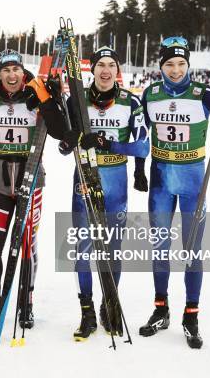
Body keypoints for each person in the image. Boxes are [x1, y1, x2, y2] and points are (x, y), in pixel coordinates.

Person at [138, 37, 210, 349]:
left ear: (188, 64)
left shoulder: (204, 95)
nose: (175, 70)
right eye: (169, 64)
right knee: (160, 248)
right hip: (161, 182)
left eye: (180, 64)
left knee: (192, 250)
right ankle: (160, 309)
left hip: (192, 185)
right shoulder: (150, 94)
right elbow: (138, 135)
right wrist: (137, 168)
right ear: (160, 66)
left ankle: (191, 315)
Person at [0, 49, 76, 329]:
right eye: (6, 70)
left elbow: (59, 130)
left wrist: (48, 98)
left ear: (23, 72)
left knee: (27, 245)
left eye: (16, 70)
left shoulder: (36, 97)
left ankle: (26, 302)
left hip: (30, 174)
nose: (12, 75)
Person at [60, 46, 149, 340]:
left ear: (117, 70)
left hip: (116, 181)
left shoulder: (130, 101)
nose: (106, 70)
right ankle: (86, 313)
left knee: (113, 250)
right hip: (84, 178)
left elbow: (142, 147)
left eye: (111, 65)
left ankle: (108, 304)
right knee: (83, 248)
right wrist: (67, 141)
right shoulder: (77, 99)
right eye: (101, 65)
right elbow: (65, 139)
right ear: (92, 69)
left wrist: (105, 143)